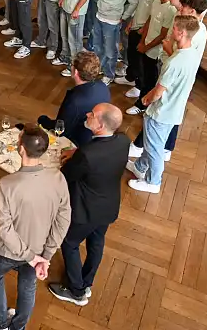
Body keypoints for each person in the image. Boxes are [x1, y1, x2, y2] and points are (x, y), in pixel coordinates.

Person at [0, 126, 71, 330]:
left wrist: (28, 256)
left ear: (20, 149)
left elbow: (5, 228)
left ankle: (0, 323)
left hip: (8, 251)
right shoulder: (58, 178)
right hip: (39, 250)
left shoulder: (6, 184)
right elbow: (63, 220)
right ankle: (18, 327)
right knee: (28, 287)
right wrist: (44, 256)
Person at [49, 103, 130, 306]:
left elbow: (67, 177)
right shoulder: (123, 140)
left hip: (85, 210)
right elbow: (100, 154)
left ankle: (76, 291)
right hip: (109, 206)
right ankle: (87, 281)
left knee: (69, 243)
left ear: (100, 125)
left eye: (92, 114)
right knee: (96, 241)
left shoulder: (88, 154)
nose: (87, 114)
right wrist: (77, 153)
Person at [129, 0, 207, 160]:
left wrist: (167, 50)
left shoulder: (195, 33)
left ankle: (140, 145)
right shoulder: (197, 28)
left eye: (183, 8)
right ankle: (165, 147)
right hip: (176, 74)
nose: (180, 10)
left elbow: (183, 59)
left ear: (193, 11)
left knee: (158, 112)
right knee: (171, 112)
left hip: (174, 76)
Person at [128, 16, 201, 194]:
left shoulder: (174, 62)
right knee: (152, 142)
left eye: (174, 28)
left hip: (162, 111)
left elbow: (159, 91)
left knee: (155, 148)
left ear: (182, 33)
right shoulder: (192, 54)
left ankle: (153, 182)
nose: (171, 30)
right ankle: (140, 166)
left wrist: (145, 100)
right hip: (174, 110)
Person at [38, 51, 110, 147]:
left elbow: (62, 129)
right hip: (97, 138)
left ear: (75, 72)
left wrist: (43, 120)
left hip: (78, 143)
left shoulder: (75, 100)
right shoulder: (103, 87)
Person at [127, 0, 176, 115]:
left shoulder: (170, 10)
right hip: (146, 44)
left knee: (150, 79)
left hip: (155, 50)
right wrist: (142, 41)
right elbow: (149, 21)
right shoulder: (155, 1)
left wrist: (147, 46)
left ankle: (142, 105)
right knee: (143, 74)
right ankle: (142, 97)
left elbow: (163, 35)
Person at [114, 0, 165, 90]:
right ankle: (130, 76)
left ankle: (139, 86)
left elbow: (152, 14)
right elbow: (139, 5)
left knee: (140, 58)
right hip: (136, 24)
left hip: (143, 28)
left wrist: (143, 29)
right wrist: (131, 21)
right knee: (131, 53)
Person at [93, 0, 138, 85]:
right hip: (99, 16)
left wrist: (124, 17)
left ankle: (109, 74)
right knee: (97, 46)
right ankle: (98, 67)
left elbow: (134, 1)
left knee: (110, 50)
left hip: (112, 21)